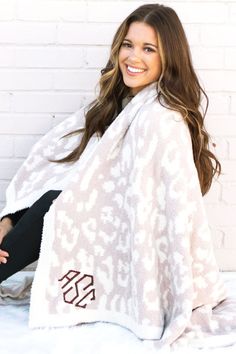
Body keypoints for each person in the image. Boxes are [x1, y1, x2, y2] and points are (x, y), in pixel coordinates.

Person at [0, 3, 235, 350]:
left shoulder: (161, 118)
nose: (133, 57)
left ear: (169, 57)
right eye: (128, 44)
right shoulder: (125, 102)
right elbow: (71, 168)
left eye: (148, 48)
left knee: (57, 207)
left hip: (127, 232)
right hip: (106, 217)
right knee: (54, 197)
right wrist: (9, 218)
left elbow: (159, 202)